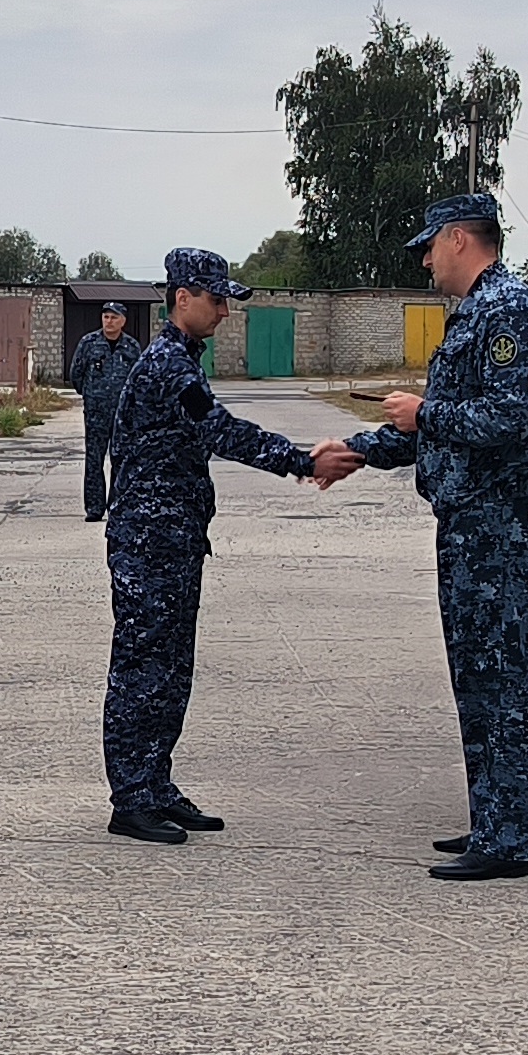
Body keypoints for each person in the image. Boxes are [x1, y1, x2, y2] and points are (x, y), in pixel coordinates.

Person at [322, 193, 528, 882]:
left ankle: (508, 839)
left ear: (460, 239)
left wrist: (424, 411)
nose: (426, 261)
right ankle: (496, 818)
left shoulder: (508, 309)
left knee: (498, 677)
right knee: (477, 678)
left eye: (429, 246)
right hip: (470, 520)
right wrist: (361, 449)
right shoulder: (479, 313)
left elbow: (508, 421)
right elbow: (441, 431)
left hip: (498, 522)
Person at [101, 250, 342, 844]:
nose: (226, 311)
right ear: (182, 297)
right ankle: (130, 798)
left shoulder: (183, 359)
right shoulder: (167, 366)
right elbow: (222, 430)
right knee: (143, 667)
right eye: (216, 298)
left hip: (173, 539)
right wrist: (302, 461)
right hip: (149, 541)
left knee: (172, 668)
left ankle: (154, 783)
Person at [68, 300, 142, 521]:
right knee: (94, 460)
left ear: (123, 321)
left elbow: (139, 379)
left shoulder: (132, 347)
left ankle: (118, 506)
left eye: (114, 317)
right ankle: (94, 507)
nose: (109, 321)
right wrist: (91, 395)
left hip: (122, 414)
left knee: (121, 460)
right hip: (96, 412)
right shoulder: (89, 343)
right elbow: (76, 374)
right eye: (106, 317)